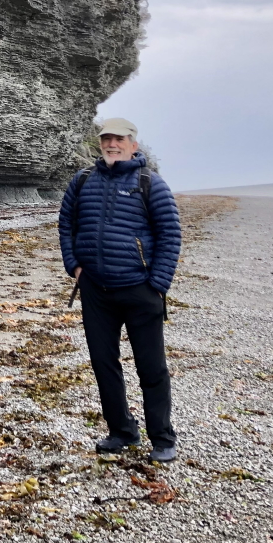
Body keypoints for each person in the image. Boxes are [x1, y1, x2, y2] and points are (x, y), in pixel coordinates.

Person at [58, 117, 182, 463]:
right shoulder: (83, 181)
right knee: (103, 363)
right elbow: (66, 224)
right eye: (107, 139)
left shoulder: (150, 184)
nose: (112, 144)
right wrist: (75, 267)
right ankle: (122, 432)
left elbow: (171, 235)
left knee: (151, 367)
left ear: (133, 145)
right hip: (96, 289)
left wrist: (156, 285)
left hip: (139, 289)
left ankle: (162, 437)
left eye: (119, 139)